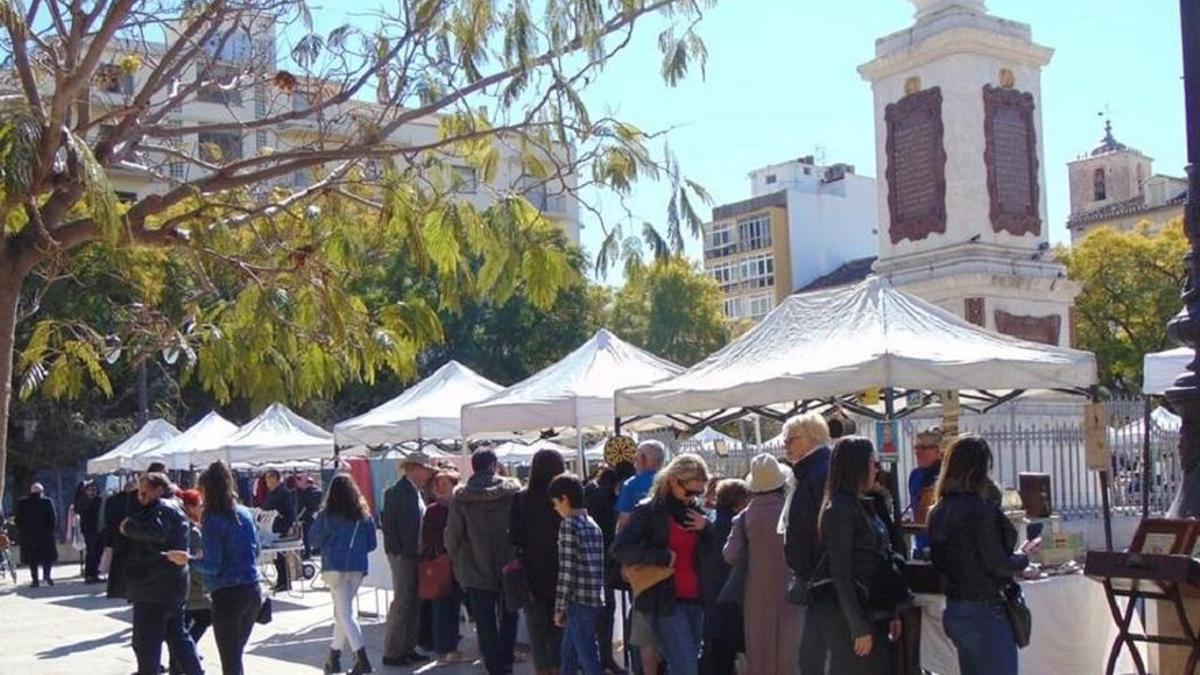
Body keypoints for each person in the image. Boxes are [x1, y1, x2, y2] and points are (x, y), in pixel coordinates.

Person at [928, 435, 1038, 675]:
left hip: (956, 606)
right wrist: (1024, 557)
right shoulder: (979, 511)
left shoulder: (939, 511)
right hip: (984, 609)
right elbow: (996, 564)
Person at [799, 436, 901, 675]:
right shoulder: (840, 509)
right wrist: (857, 626)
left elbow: (881, 559)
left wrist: (892, 611)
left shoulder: (860, 503)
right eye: (873, 463)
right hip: (849, 612)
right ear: (858, 466)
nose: (877, 469)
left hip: (868, 607)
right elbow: (841, 572)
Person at [611, 454, 712, 675]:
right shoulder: (649, 511)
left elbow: (717, 551)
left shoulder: (695, 512)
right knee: (686, 667)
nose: (692, 498)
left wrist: (708, 529)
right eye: (690, 491)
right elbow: (619, 548)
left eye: (699, 493)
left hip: (696, 599)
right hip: (666, 600)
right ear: (673, 481)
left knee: (684, 664)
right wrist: (661, 556)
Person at [180, 461, 263, 675]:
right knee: (235, 657)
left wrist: (188, 560)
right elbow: (256, 551)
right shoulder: (244, 513)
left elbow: (212, 566)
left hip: (227, 595)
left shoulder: (212, 519)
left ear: (207, 490)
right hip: (252, 590)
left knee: (230, 661)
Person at [445, 449, 522, 675]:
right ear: (494, 465)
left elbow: (453, 535)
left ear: (474, 467)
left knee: (485, 620)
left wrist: (455, 558)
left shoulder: (461, 497)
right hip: (510, 563)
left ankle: (494, 665)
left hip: (474, 566)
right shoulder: (513, 491)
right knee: (510, 614)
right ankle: (507, 660)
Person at [724, 454, 802, 674]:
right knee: (792, 653)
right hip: (793, 589)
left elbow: (730, 555)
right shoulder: (794, 513)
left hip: (757, 594)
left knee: (760, 653)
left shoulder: (743, 519)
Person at [121, 472, 202, 675]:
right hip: (169, 585)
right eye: (139, 494)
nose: (141, 498)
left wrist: (129, 527)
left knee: (146, 641)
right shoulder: (175, 507)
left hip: (154, 587)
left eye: (144, 493)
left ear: (158, 490)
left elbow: (155, 532)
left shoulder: (162, 509)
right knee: (177, 635)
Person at [780, 412, 833, 675]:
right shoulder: (809, 471)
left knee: (815, 657)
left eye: (792, 439)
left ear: (813, 438)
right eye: (785, 440)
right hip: (816, 577)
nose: (786, 445)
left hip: (822, 577)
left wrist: (811, 569)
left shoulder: (819, 471)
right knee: (812, 657)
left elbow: (822, 527)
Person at [311, 474, 379, 674]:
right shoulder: (364, 515)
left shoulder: (326, 515)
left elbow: (314, 539)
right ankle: (333, 658)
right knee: (342, 614)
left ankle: (362, 658)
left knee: (344, 614)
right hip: (357, 568)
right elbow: (372, 544)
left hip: (335, 567)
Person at [511, 448, 567, 675]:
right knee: (560, 625)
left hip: (531, 569)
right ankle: (560, 667)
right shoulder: (565, 497)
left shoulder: (521, 498)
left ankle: (543, 670)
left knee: (536, 627)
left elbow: (513, 536)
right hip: (562, 567)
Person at [380, 451, 438, 667]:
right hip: (404, 555)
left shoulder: (415, 491)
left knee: (414, 601)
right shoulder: (397, 492)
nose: (428, 474)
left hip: (413, 554)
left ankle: (408, 646)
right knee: (403, 601)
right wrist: (400, 551)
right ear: (414, 468)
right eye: (425, 469)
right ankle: (393, 651)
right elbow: (389, 526)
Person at [615, 440, 667, 675]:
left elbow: (623, 525)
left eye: (637, 457)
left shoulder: (631, 485)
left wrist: (623, 561)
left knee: (644, 626)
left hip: (641, 562)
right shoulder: (671, 481)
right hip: (670, 559)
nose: (635, 462)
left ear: (644, 460)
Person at [549, 473, 606, 675]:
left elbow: (567, 570)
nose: (555, 508)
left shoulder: (568, 525)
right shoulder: (592, 524)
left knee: (587, 654)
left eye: (556, 503)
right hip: (592, 597)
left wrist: (559, 607)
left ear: (564, 499)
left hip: (576, 600)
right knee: (569, 654)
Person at [699, 479, 748, 675]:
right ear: (738, 504)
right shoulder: (735, 527)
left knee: (717, 653)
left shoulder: (710, 526)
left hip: (711, 598)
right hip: (732, 600)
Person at [422, 468, 467, 664]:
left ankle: (450, 647)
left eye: (444, 484)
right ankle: (444, 649)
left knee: (453, 606)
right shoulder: (433, 510)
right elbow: (427, 537)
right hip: (442, 563)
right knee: (442, 606)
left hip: (458, 563)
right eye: (437, 484)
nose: (439, 488)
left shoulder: (459, 507)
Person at [585, 466, 627, 674]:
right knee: (606, 610)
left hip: (590, 559)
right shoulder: (611, 498)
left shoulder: (589, 492)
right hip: (606, 559)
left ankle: (596, 660)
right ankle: (605, 658)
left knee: (594, 611)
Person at [172, 489, 211, 675]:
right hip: (194, 584)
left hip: (182, 584)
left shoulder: (181, 525)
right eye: (199, 505)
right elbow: (198, 558)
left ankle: (178, 662)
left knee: (181, 626)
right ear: (189, 507)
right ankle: (185, 655)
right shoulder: (193, 531)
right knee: (204, 617)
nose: (202, 509)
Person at [908, 426, 944, 557]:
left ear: (937, 450)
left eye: (924, 448)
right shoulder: (915, 475)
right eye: (916, 448)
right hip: (920, 543)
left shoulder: (945, 475)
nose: (918, 452)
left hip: (941, 545)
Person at [15, 482, 58, 588]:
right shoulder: (47, 502)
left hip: (28, 536)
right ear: (42, 492)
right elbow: (53, 518)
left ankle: (35, 580)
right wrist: (49, 530)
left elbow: (18, 519)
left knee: (32, 559)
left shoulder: (23, 503)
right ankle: (46, 576)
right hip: (45, 535)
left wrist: (23, 531)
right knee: (47, 558)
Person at [262, 469, 297, 592]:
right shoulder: (271, 493)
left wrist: (288, 527)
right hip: (271, 528)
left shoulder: (283, 493)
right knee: (276, 556)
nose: (267, 481)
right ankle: (281, 580)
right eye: (266, 478)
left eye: (269, 478)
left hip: (281, 527)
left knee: (280, 555)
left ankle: (285, 582)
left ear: (276, 478)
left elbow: (290, 512)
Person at [106, 478, 139, 599]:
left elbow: (108, 519)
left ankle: (122, 590)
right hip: (129, 538)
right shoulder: (135, 502)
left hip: (119, 537)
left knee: (120, 567)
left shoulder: (112, 501)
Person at [75, 481, 104, 583]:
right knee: (92, 552)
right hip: (89, 530)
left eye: (94, 489)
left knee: (98, 552)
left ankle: (94, 573)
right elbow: (81, 512)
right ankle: (89, 575)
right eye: (90, 490)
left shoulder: (99, 500)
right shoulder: (83, 501)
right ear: (86, 491)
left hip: (99, 529)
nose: (92, 492)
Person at [297, 476, 323, 558]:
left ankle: (307, 552)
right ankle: (318, 549)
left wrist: (298, 518)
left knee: (306, 536)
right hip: (319, 516)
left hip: (308, 517)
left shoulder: (305, 493)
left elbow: (302, 507)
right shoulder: (320, 491)